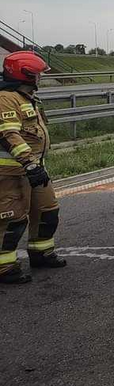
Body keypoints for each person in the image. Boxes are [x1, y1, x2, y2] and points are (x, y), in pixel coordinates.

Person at [0, 51, 66, 285]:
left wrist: (35, 165)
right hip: (11, 172)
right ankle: (5, 267)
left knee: (47, 210)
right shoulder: (6, 98)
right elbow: (9, 134)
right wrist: (28, 163)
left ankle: (41, 253)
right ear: (24, 74)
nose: (40, 78)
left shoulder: (28, 98)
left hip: (34, 168)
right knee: (12, 219)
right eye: (37, 74)